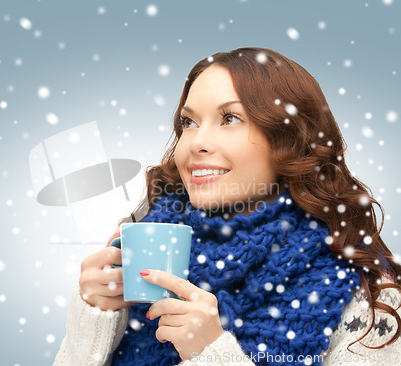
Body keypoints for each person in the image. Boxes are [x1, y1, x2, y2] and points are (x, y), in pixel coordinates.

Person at [53, 47, 401, 366]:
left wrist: (211, 352)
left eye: (230, 119)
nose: (198, 142)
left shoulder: (367, 296)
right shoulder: (148, 245)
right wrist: (94, 316)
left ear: (289, 139)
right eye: (188, 122)